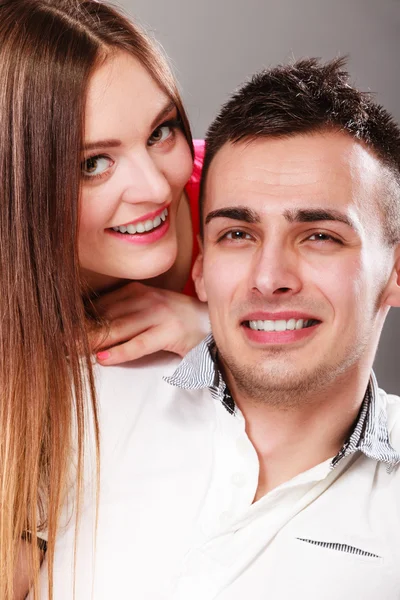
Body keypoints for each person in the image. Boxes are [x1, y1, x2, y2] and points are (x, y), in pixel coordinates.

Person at [38, 57, 400, 600]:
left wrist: (223, 328)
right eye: (237, 235)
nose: (270, 276)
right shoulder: (78, 404)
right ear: (203, 266)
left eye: (320, 236)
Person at [4, 0, 209, 598]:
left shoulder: (238, 202)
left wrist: (217, 325)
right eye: (93, 163)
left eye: (160, 131)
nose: (153, 187)